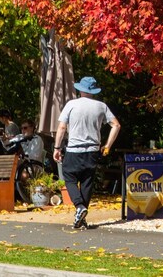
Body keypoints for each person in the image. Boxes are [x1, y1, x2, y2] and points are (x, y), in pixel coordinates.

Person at [53, 76, 120, 229]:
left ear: (80, 89)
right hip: (92, 150)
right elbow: (116, 125)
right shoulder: (101, 106)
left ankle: (79, 207)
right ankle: (81, 218)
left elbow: (62, 128)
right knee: (87, 181)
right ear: (94, 91)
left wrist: (57, 148)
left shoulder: (71, 104)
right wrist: (107, 145)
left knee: (69, 178)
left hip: (74, 149)